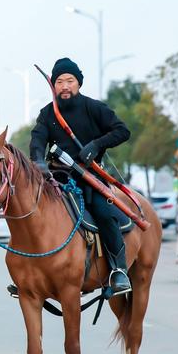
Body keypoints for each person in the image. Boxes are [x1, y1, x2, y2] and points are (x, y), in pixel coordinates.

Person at [29, 57, 132, 295]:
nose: (65, 86)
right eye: (60, 82)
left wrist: (96, 145)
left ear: (79, 83)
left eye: (70, 81)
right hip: (57, 178)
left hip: (90, 178)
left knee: (104, 215)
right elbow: (37, 140)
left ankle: (119, 271)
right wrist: (38, 161)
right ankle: (30, 273)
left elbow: (122, 131)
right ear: (53, 86)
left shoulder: (94, 107)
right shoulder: (47, 113)